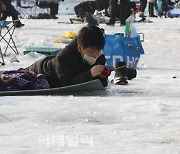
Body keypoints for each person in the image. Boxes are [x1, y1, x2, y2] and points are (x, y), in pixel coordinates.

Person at [25, 25, 109, 88]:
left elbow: (101, 85)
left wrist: (104, 75)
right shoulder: (63, 58)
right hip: (41, 71)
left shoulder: (99, 56)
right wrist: (90, 74)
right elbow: (67, 84)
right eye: (91, 51)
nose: (95, 55)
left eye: (98, 51)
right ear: (80, 48)